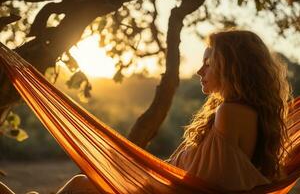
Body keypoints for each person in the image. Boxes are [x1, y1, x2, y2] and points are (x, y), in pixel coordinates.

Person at [0, 29, 291, 193]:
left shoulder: (229, 112)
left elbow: (211, 184)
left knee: (81, 187)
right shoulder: (249, 113)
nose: (200, 70)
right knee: (83, 185)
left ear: (231, 66)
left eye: (209, 62)